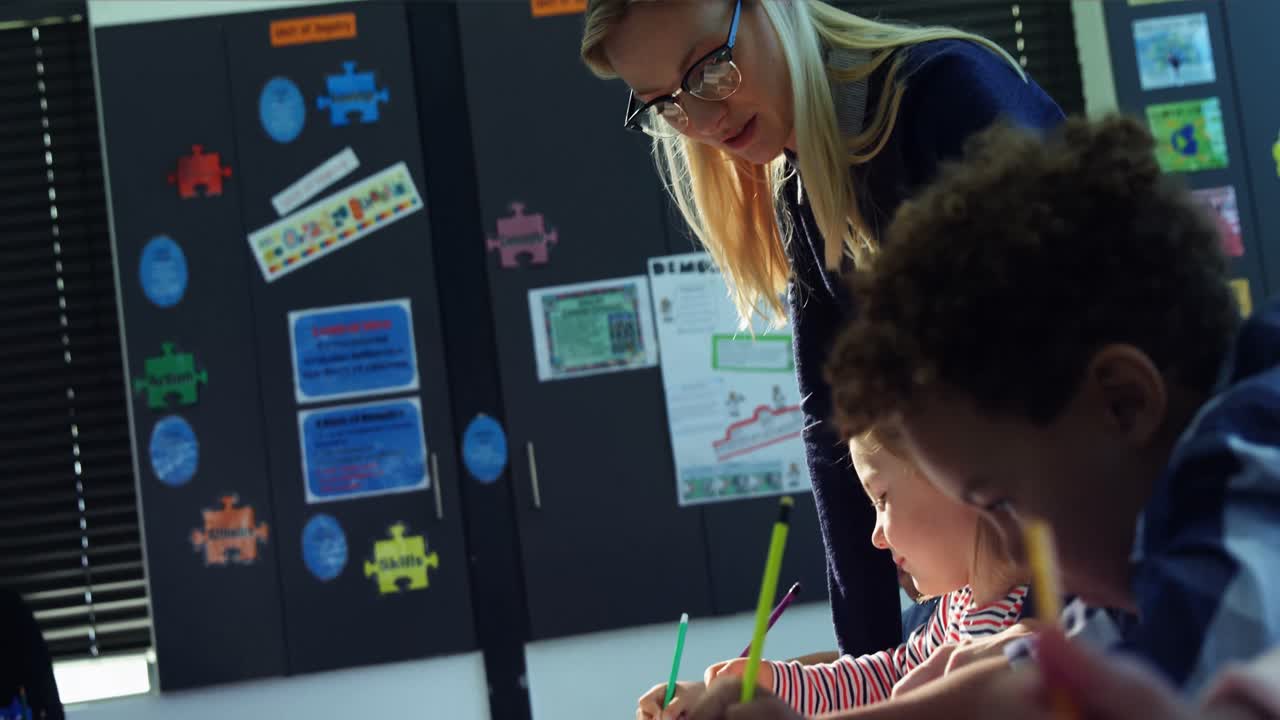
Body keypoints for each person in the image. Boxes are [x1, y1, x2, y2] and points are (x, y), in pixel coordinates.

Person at [582, 0, 1064, 657]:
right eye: (666, 104)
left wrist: (1036, 631)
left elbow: (1069, 376)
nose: (701, 120)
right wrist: (867, 659)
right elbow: (833, 428)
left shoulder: (946, 97)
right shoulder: (807, 192)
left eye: (708, 69)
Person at [826, 113, 1280, 695]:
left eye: (1003, 503)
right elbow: (1046, 677)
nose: (1010, 547)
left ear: (1122, 404)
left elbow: (1160, 671)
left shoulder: (1244, 466)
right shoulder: (1148, 547)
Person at [636, 427, 1031, 719]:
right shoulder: (956, 610)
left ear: (951, 473)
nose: (875, 536)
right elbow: (884, 679)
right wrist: (770, 683)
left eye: (882, 499)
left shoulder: (1049, 612)